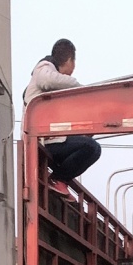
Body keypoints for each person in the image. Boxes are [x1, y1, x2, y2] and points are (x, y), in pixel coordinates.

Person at [23, 39, 101, 200]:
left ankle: (59, 179)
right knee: (92, 148)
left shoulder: (53, 89)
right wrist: (80, 89)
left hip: (51, 139)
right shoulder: (44, 68)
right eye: (74, 63)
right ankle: (58, 179)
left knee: (87, 144)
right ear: (70, 60)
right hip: (45, 142)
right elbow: (46, 80)